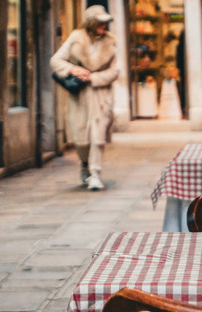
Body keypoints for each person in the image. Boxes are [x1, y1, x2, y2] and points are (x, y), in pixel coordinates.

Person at [50, 5, 119, 191]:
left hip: (100, 95)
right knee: (81, 139)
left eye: (106, 22)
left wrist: (94, 78)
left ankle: (95, 172)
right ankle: (84, 165)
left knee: (97, 137)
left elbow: (115, 70)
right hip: (79, 97)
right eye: (100, 22)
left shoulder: (112, 42)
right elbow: (56, 60)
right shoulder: (76, 37)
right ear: (91, 22)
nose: (104, 25)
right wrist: (72, 69)